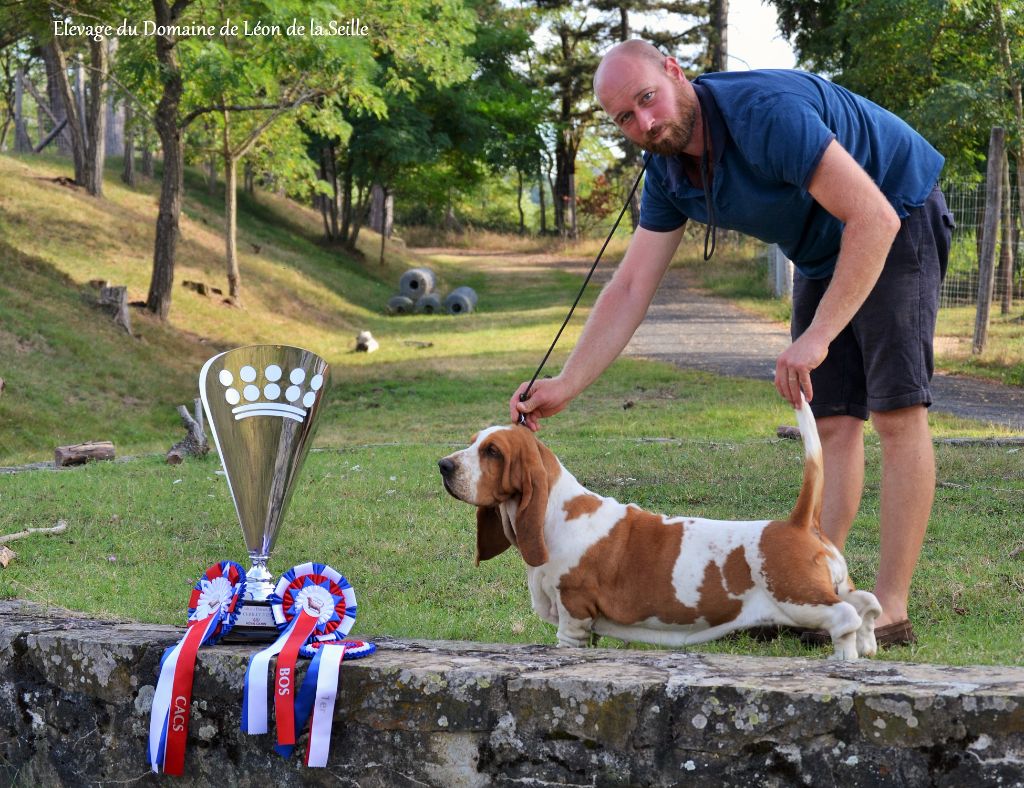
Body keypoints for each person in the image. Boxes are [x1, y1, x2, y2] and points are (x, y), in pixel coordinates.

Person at [509, 40, 954, 646]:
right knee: (831, 421)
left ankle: (893, 609)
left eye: (647, 99)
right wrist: (566, 383)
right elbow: (633, 284)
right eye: (625, 118)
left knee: (895, 413)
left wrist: (818, 337)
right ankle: (813, 586)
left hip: (894, 212)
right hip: (823, 248)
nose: (645, 122)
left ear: (674, 70)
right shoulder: (666, 170)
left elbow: (873, 219)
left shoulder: (764, 113)